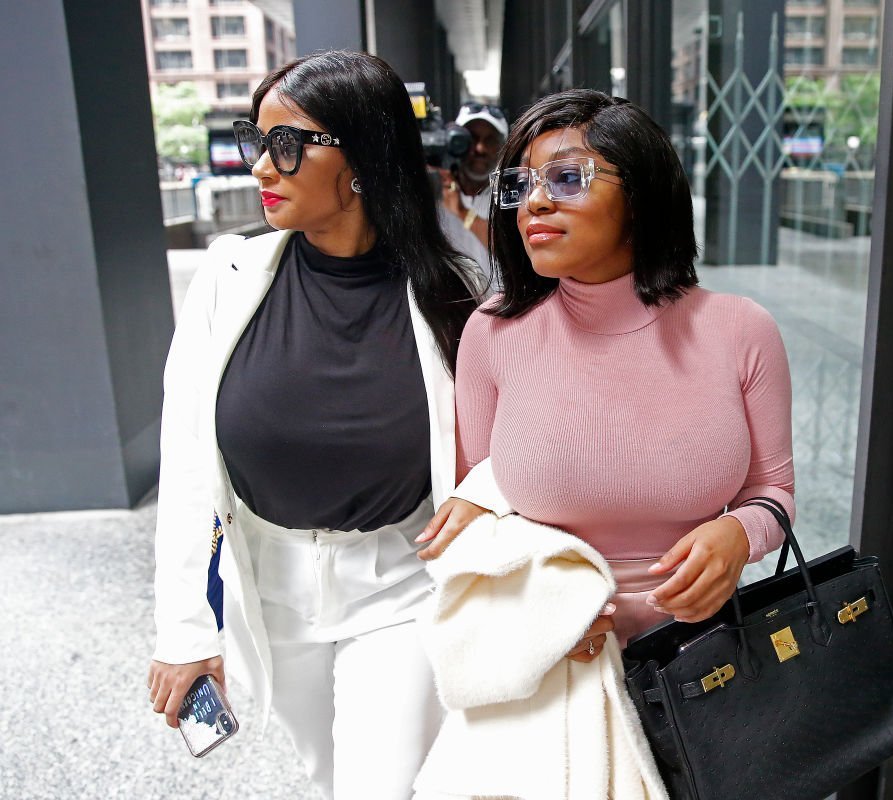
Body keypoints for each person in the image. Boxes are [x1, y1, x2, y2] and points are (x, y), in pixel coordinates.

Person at [147, 50, 492, 800]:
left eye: (286, 145)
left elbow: (511, 440)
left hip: (400, 584)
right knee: (326, 776)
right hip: (269, 591)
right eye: (256, 142)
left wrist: (485, 500)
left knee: (382, 787)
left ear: (363, 158)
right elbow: (185, 467)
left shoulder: (454, 294)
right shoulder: (227, 279)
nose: (261, 169)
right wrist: (184, 630)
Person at [421, 89, 795, 664]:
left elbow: (773, 490)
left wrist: (741, 535)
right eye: (520, 186)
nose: (534, 205)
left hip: (708, 662)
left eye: (567, 179)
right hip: (547, 655)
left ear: (642, 196)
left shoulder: (740, 329)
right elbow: (478, 507)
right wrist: (539, 598)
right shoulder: (492, 333)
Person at [438, 103, 508, 255]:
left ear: (503, 147)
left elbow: (512, 252)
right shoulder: (436, 189)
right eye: (472, 138)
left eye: (490, 140)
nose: (480, 148)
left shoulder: (510, 194)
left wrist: (463, 213)